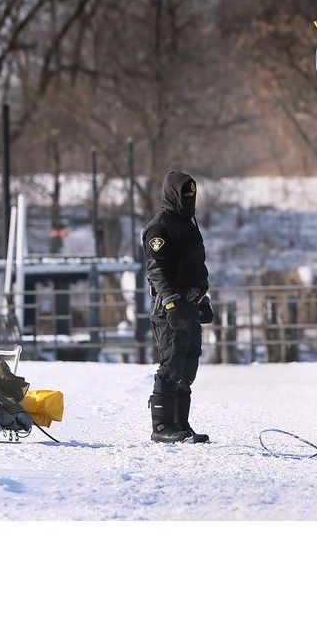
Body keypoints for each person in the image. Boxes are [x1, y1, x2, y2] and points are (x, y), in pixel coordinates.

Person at [142, 170, 214, 443]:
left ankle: (180, 424)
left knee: (188, 365)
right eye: (185, 194)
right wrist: (172, 303)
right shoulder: (160, 227)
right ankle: (161, 427)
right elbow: (156, 269)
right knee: (171, 364)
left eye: (192, 195)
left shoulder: (190, 224)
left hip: (192, 304)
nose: (189, 200)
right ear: (173, 194)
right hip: (170, 308)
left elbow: (195, 267)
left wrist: (202, 300)